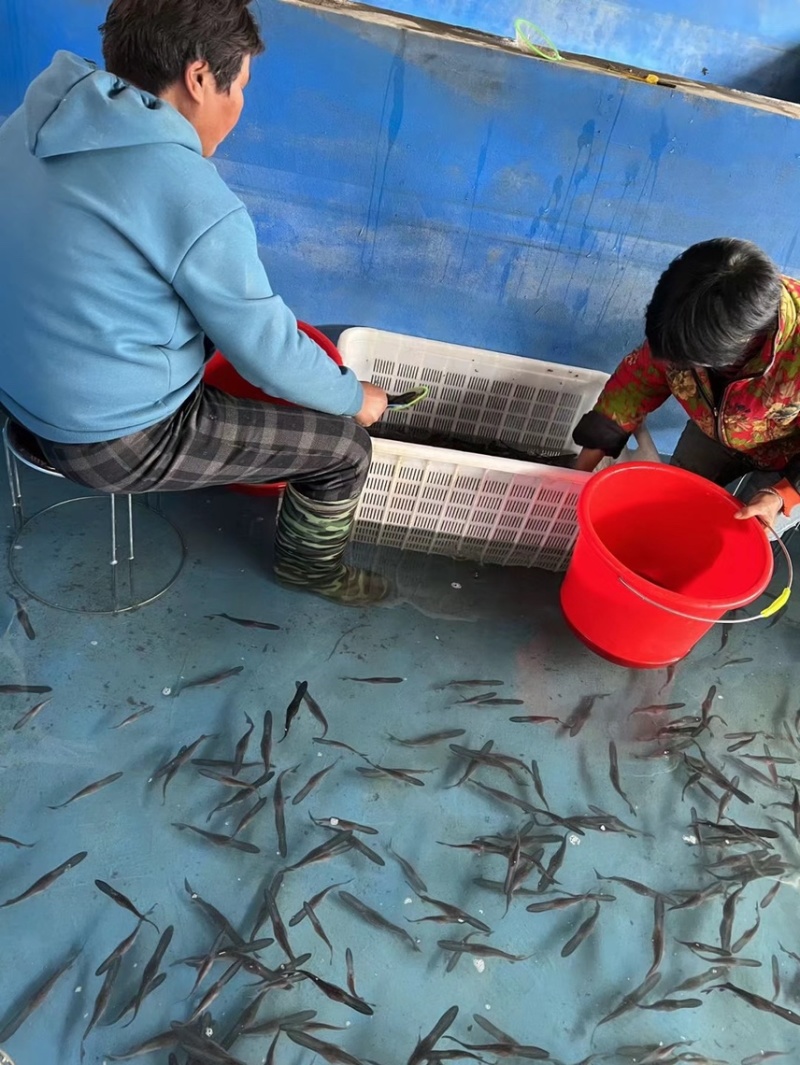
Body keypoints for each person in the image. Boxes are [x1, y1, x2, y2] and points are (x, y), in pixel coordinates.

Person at [0, 0, 390, 606]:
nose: (238, 108)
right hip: (104, 439)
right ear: (201, 78)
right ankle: (312, 570)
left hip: (15, 384)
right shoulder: (192, 199)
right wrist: (354, 397)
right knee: (344, 449)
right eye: (240, 88)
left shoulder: (36, 117)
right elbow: (268, 354)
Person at [572, 238, 800, 533]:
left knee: (748, 531)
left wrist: (781, 495)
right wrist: (577, 473)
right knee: (674, 501)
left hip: (790, 454)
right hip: (713, 425)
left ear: (739, 348)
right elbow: (637, 382)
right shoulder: (686, 316)